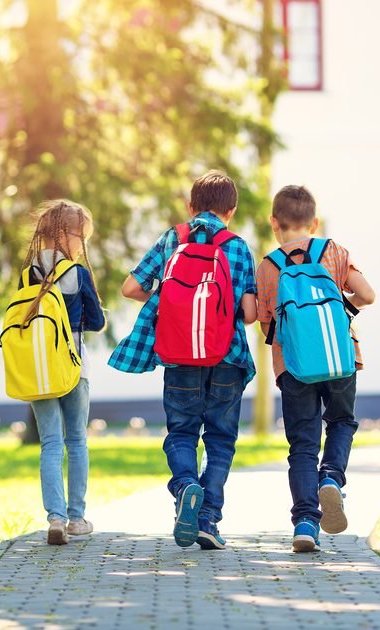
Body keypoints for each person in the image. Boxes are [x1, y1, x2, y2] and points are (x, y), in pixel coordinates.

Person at [116, 170, 257, 550]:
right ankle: (209, 518)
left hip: (179, 355)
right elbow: (249, 313)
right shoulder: (238, 246)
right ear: (232, 210)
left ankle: (185, 486)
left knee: (181, 432)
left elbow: (130, 288)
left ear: (190, 206)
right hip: (227, 356)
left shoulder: (171, 239)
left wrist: (173, 305)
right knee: (221, 440)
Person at [255, 184, 375, 552]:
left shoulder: (268, 266)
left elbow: (265, 324)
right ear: (315, 222)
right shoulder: (334, 252)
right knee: (341, 422)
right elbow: (367, 295)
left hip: (293, 366)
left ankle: (306, 523)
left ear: (275, 223)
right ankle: (333, 479)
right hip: (341, 359)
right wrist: (343, 306)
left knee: (303, 445)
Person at [21, 200, 106, 545]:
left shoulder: (29, 274)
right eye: (81, 236)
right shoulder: (77, 273)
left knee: (50, 443)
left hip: (38, 368)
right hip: (72, 366)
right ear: (69, 236)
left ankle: (54, 518)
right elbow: (97, 322)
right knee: (77, 440)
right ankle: (77, 518)